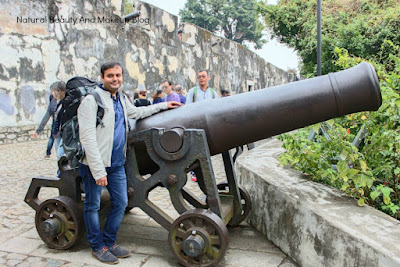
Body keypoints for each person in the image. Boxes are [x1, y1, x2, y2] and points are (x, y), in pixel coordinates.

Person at [77, 62, 182, 264]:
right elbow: (88, 138)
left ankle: (109, 242)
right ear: (102, 77)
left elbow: (136, 113)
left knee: (121, 202)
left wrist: (163, 105)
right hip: (94, 164)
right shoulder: (91, 101)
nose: (115, 79)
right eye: (110, 76)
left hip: (117, 163)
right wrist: (98, 171)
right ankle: (97, 247)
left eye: (118, 75)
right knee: (93, 205)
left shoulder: (121, 98)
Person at [32, 81, 65, 159]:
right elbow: (46, 117)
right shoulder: (52, 103)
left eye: (54, 91)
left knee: (61, 153)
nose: (53, 93)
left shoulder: (66, 101)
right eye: (52, 91)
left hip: (65, 132)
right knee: (59, 155)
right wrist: (38, 131)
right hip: (56, 131)